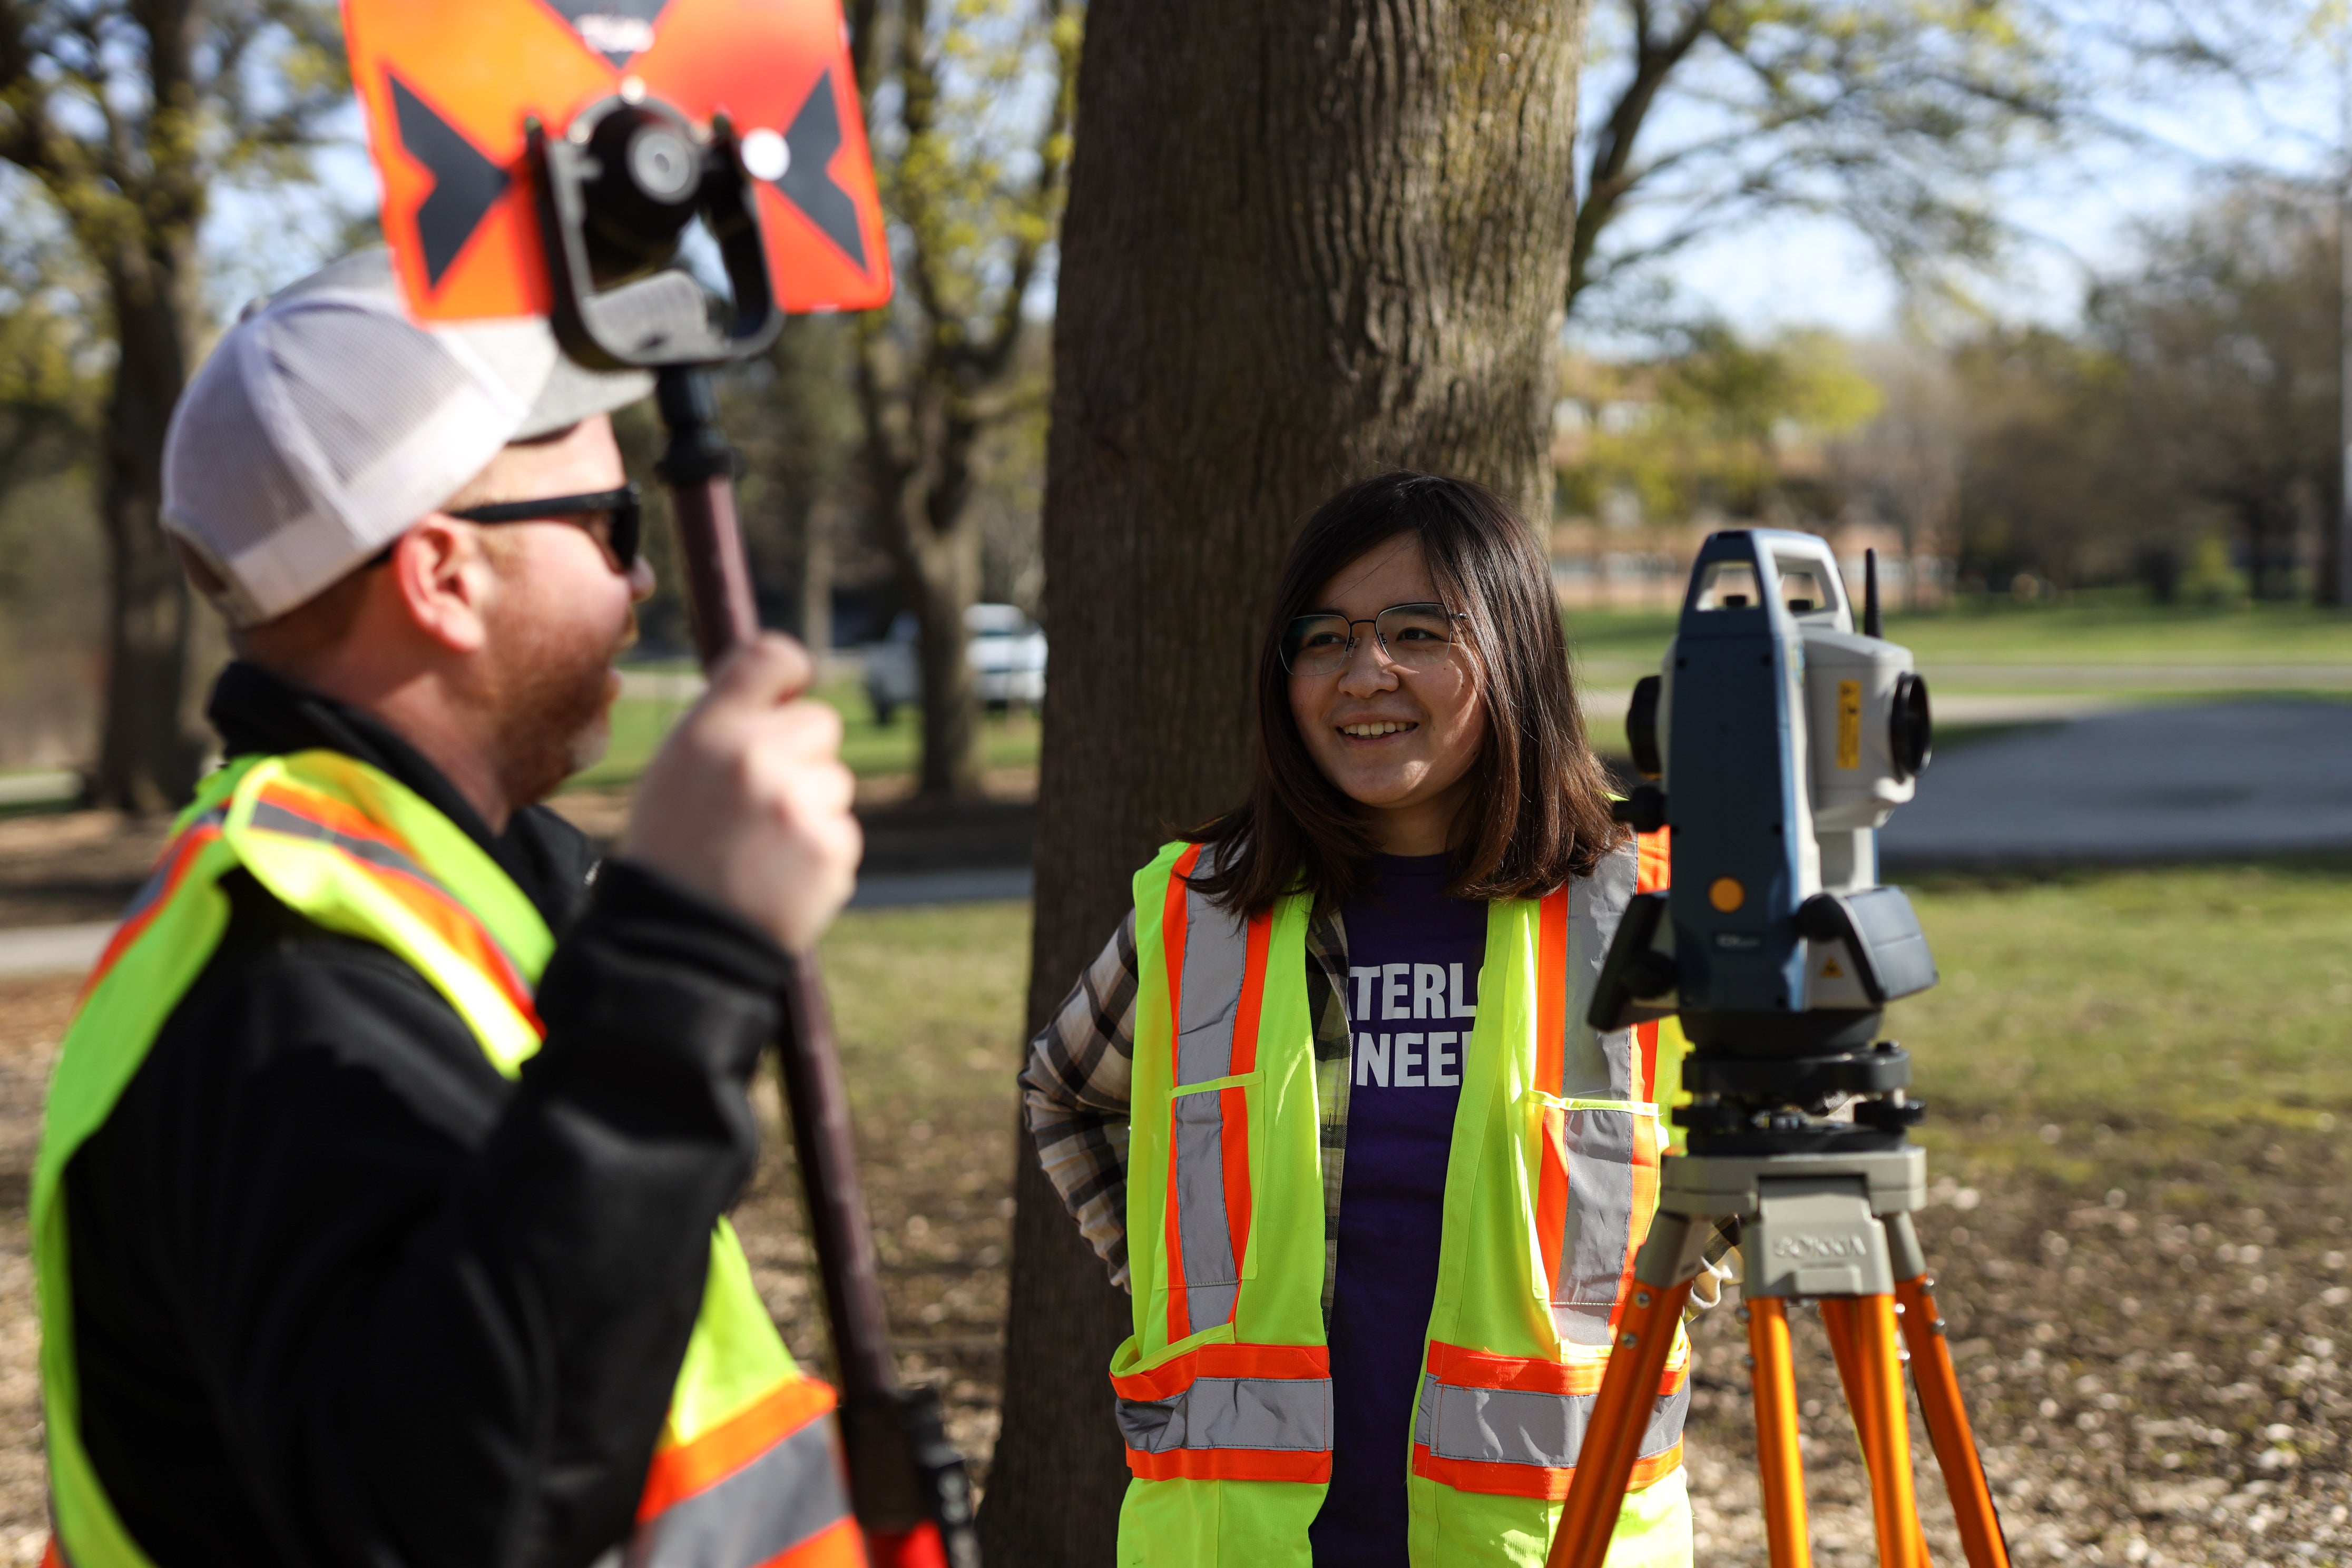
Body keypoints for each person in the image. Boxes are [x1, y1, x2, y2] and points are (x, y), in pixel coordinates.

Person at [32, 250, 865, 1568]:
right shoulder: (284, 980)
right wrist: (685, 959)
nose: (642, 584)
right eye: (611, 526)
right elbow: (449, 1510)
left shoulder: (448, 889)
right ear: (442, 577)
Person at [1023, 472, 1697, 1567]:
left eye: (1416, 632)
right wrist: (1178, 1288)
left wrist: (1677, 1289)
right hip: (1243, 1546)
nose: (1363, 672)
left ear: (1514, 650)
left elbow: (1750, 1138)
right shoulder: (1205, 912)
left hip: (1549, 1541)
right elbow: (1066, 1089)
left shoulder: (1639, 909)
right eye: (1323, 637)